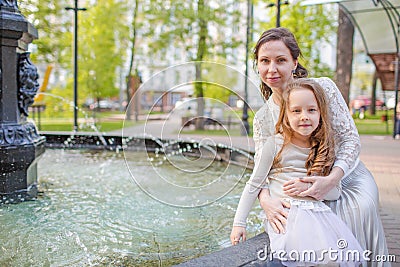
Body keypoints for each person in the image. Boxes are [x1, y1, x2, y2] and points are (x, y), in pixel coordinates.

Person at [252, 27, 389, 267]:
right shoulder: (262, 118)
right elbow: (261, 171)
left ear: (294, 62)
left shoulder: (322, 88)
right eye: (265, 61)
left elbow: (350, 139)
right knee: (291, 218)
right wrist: (265, 201)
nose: (272, 69)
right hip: (300, 185)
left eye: (281, 60)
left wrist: (331, 180)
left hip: (344, 175)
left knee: (358, 208)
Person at [231, 79, 364, 266]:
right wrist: (239, 223)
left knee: (332, 260)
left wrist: (310, 185)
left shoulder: (323, 147)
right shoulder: (275, 144)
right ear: (286, 114)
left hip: (318, 216)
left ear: (320, 114)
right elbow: (255, 183)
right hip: (285, 215)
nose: (304, 116)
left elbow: (334, 193)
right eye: (296, 111)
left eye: (311, 110)